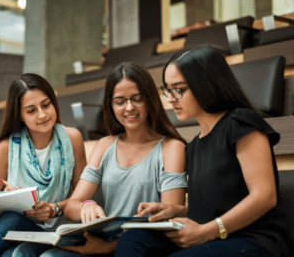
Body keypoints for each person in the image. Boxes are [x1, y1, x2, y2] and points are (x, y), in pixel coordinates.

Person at [115, 46, 293, 257]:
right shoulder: (194, 146)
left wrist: (205, 232)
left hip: (254, 240)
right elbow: (217, 206)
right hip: (216, 235)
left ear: (206, 85)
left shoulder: (241, 123)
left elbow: (264, 197)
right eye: (167, 89)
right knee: (133, 241)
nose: (170, 99)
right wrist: (175, 211)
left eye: (178, 89)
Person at [16, 62, 188, 257]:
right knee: (29, 253)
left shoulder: (171, 147)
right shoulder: (106, 145)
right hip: (100, 243)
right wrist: (85, 206)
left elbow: (169, 219)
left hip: (138, 248)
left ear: (150, 100)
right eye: (120, 101)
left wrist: (107, 248)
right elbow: (73, 205)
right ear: (111, 105)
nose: (129, 107)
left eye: (137, 99)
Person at [0, 73, 87, 257]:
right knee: (11, 221)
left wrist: (54, 209)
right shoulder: (6, 148)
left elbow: (83, 198)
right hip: (7, 230)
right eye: (31, 110)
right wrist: (6, 200)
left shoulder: (73, 139)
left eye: (46, 105)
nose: (42, 114)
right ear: (20, 115)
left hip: (49, 233)